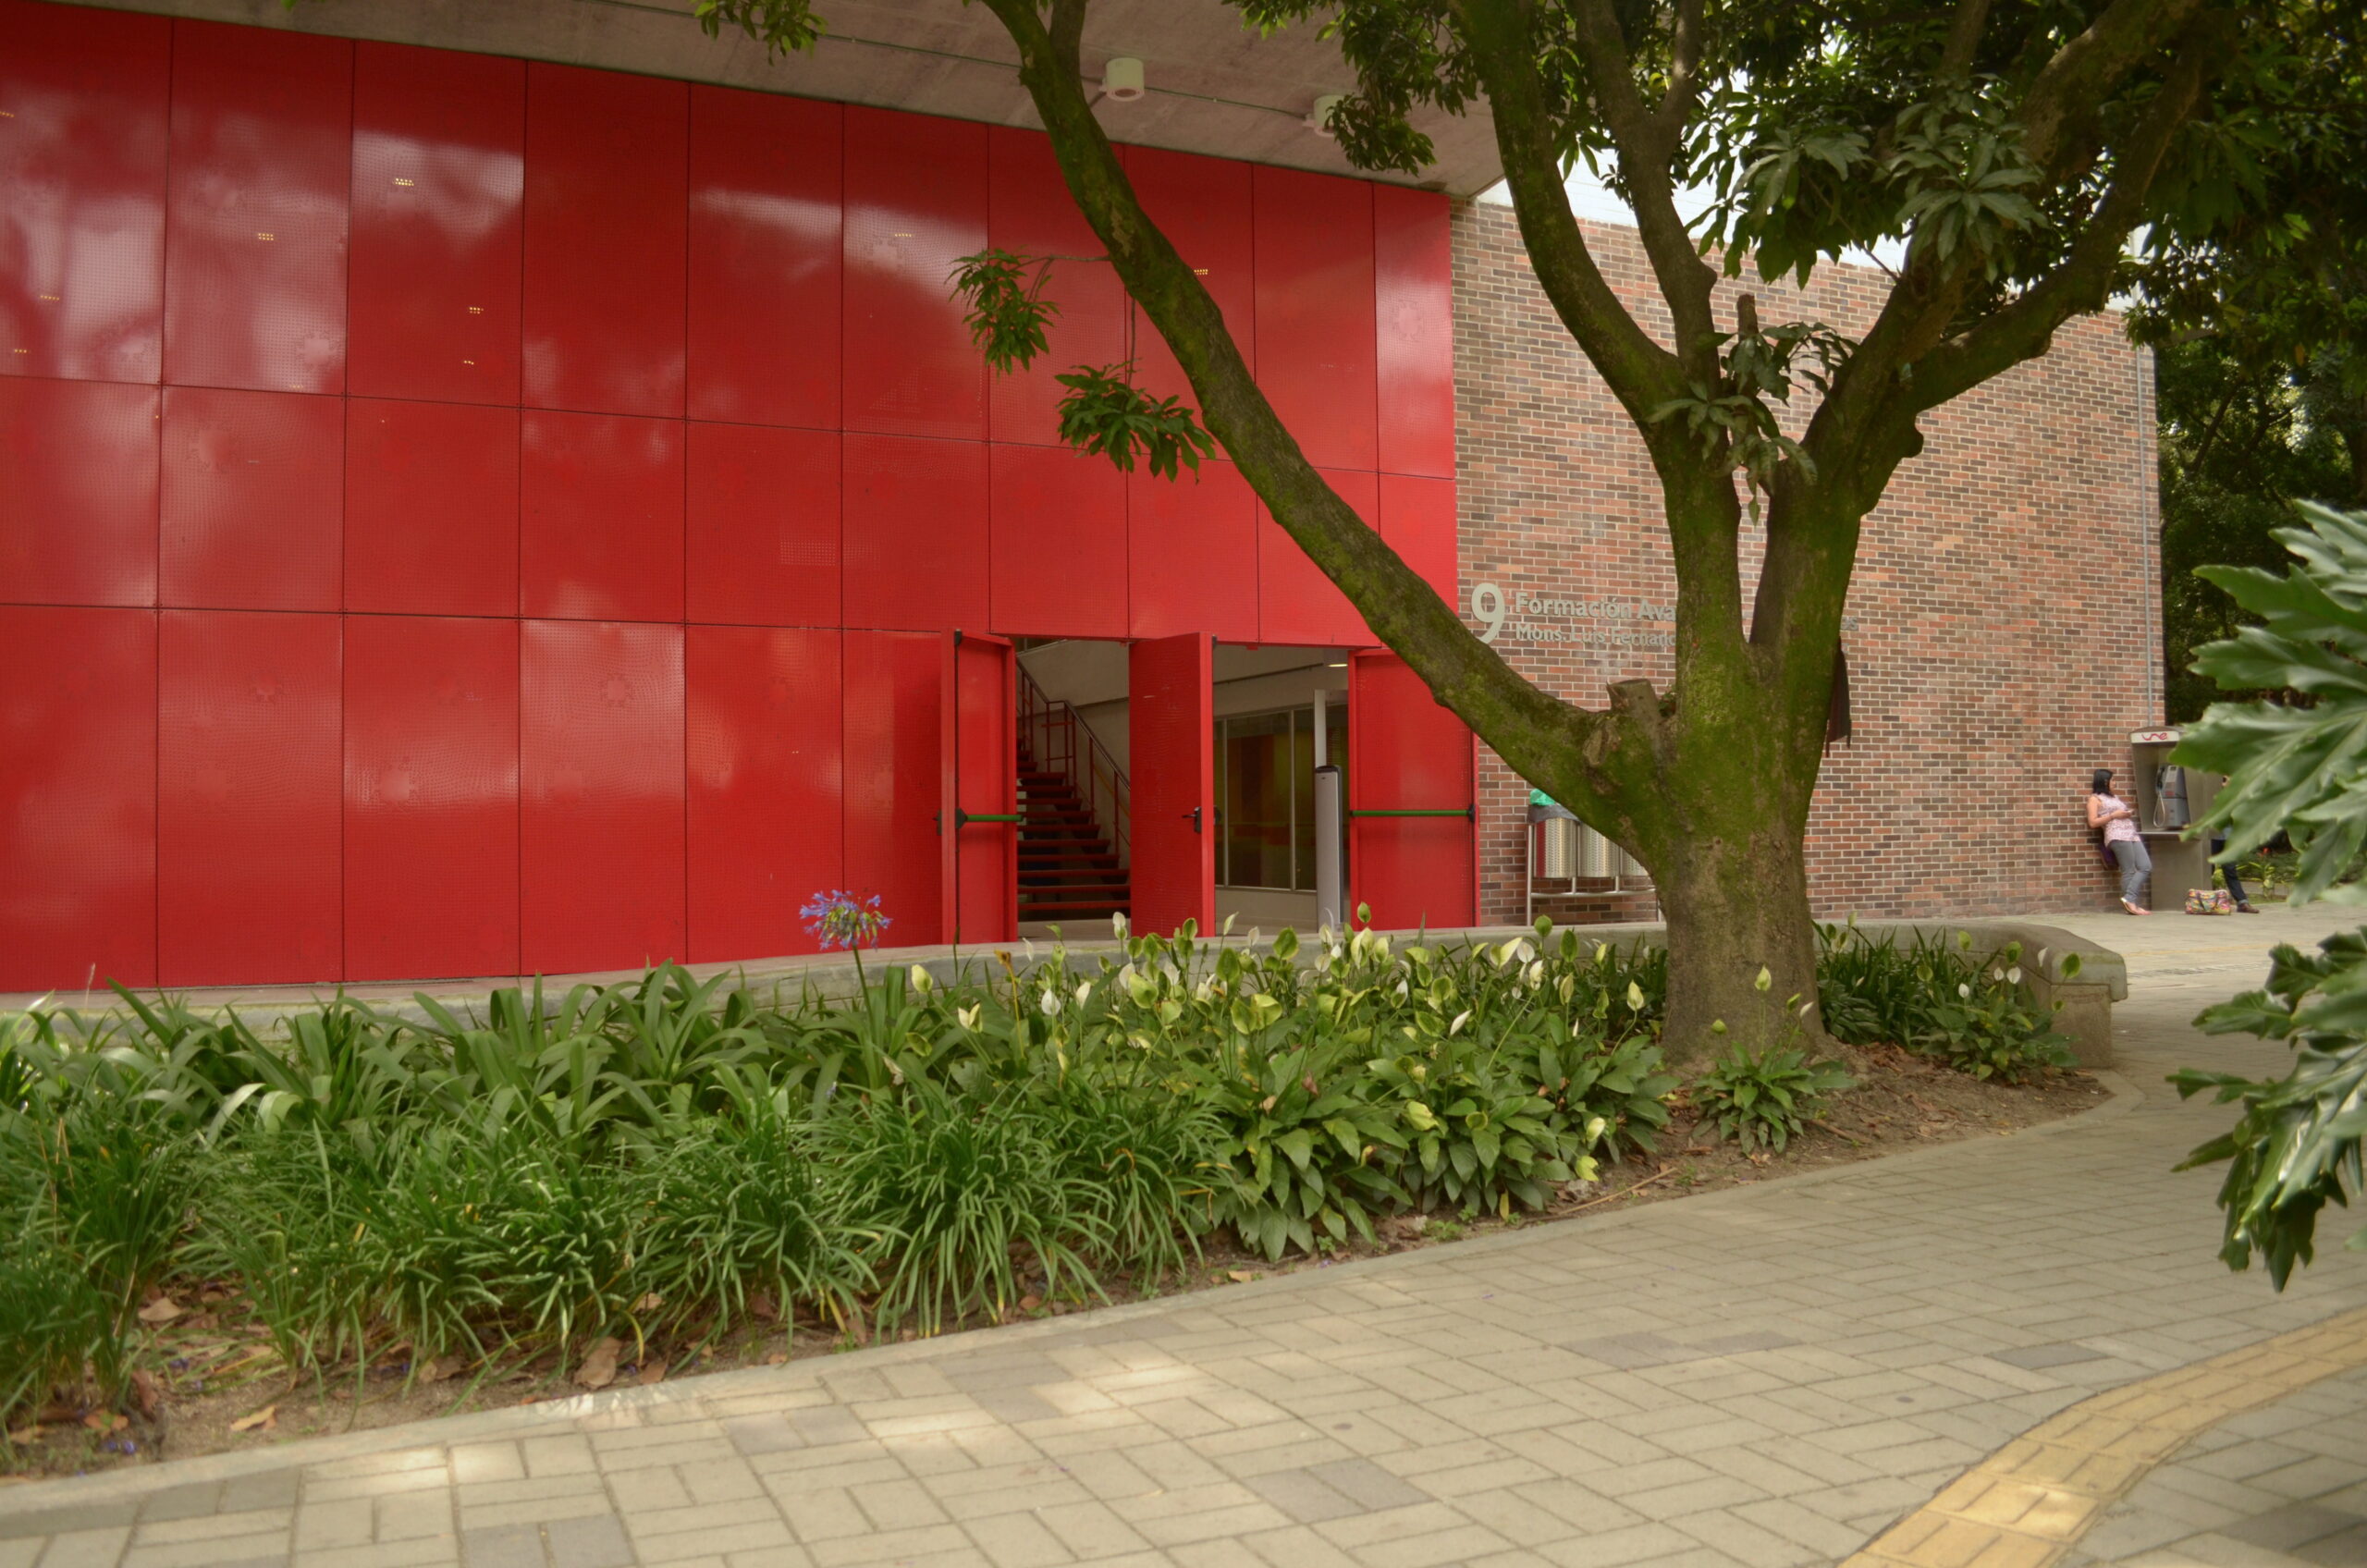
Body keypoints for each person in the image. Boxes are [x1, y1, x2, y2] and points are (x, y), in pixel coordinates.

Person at [2088, 768, 2150, 914]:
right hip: (2116, 835)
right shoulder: (2094, 799)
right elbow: (2093, 822)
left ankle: (2129, 899)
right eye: (2112, 780)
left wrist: (2127, 813)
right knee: (2128, 870)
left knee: (2145, 866)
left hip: (2131, 833)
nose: (2115, 782)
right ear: (2104, 781)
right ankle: (2131, 903)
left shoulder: (2114, 797)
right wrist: (2113, 815)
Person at [2209, 834, 2261, 913]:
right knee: (2206, 870)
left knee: (2231, 871)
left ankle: (2242, 903)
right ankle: (2201, 901)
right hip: (2209, 838)